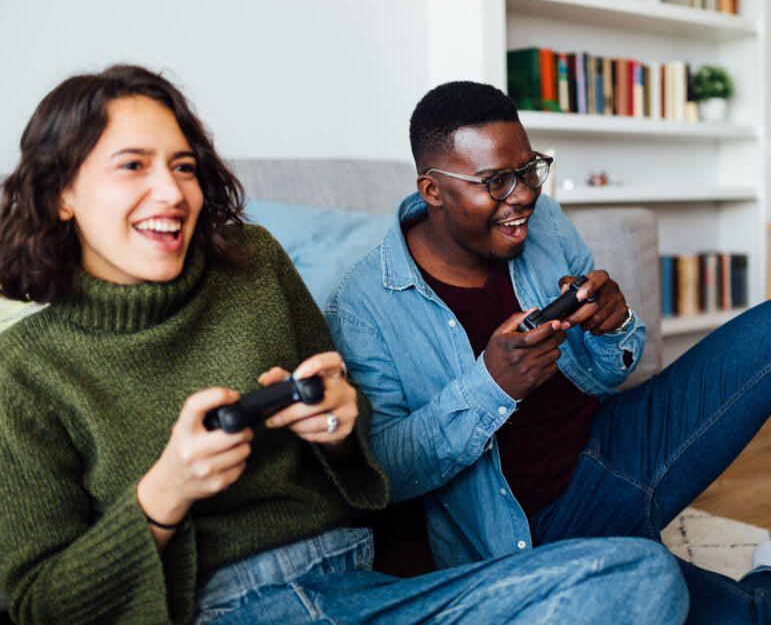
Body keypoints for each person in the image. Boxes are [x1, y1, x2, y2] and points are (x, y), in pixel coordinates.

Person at [0, 66, 690, 624]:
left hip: (361, 586)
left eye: (182, 165)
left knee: (639, 573)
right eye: (132, 165)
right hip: (216, 605)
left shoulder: (252, 263)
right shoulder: (26, 368)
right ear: (61, 192)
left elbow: (370, 470)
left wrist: (336, 429)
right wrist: (164, 493)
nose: (171, 190)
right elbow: (39, 602)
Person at [327, 80, 771, 625]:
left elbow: (611, 369)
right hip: (537, 532)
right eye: (496, 183)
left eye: (530, 169)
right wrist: (490, 384)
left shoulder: (540, 220)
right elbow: (381, 470)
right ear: (432, 191)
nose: (525, 197)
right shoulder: (366, 303)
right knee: (743, 617)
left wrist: (615, 322)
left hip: (620, 442)